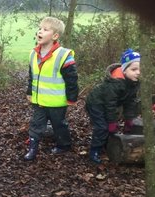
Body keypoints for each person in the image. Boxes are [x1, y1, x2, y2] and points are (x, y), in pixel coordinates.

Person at [24, 16, 79, 161]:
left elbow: (72, 79)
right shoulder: (33, 54)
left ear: (55, 36)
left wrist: (72, 97)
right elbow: (32, 76)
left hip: (56, 101)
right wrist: (30, 92)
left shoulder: (63, 55)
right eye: (40, 28)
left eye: (45, 29)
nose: (40, 31)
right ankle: (32, 149)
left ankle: (64, 145)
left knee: (59, 124)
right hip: (39, 100)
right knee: (36, 124)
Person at [85, 49, 141, 164]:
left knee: (109, 128)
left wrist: (129, 119)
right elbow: (110, 104)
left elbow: (130, 102)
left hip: (107, 104)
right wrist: (112, 122)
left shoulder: (133, 82)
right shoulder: (114, 84)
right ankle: (94, 151)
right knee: (102, 127)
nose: (138, 72)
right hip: (95, 103)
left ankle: (107, 145)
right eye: (134, 69)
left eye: (140, 69)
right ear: (124, 70)